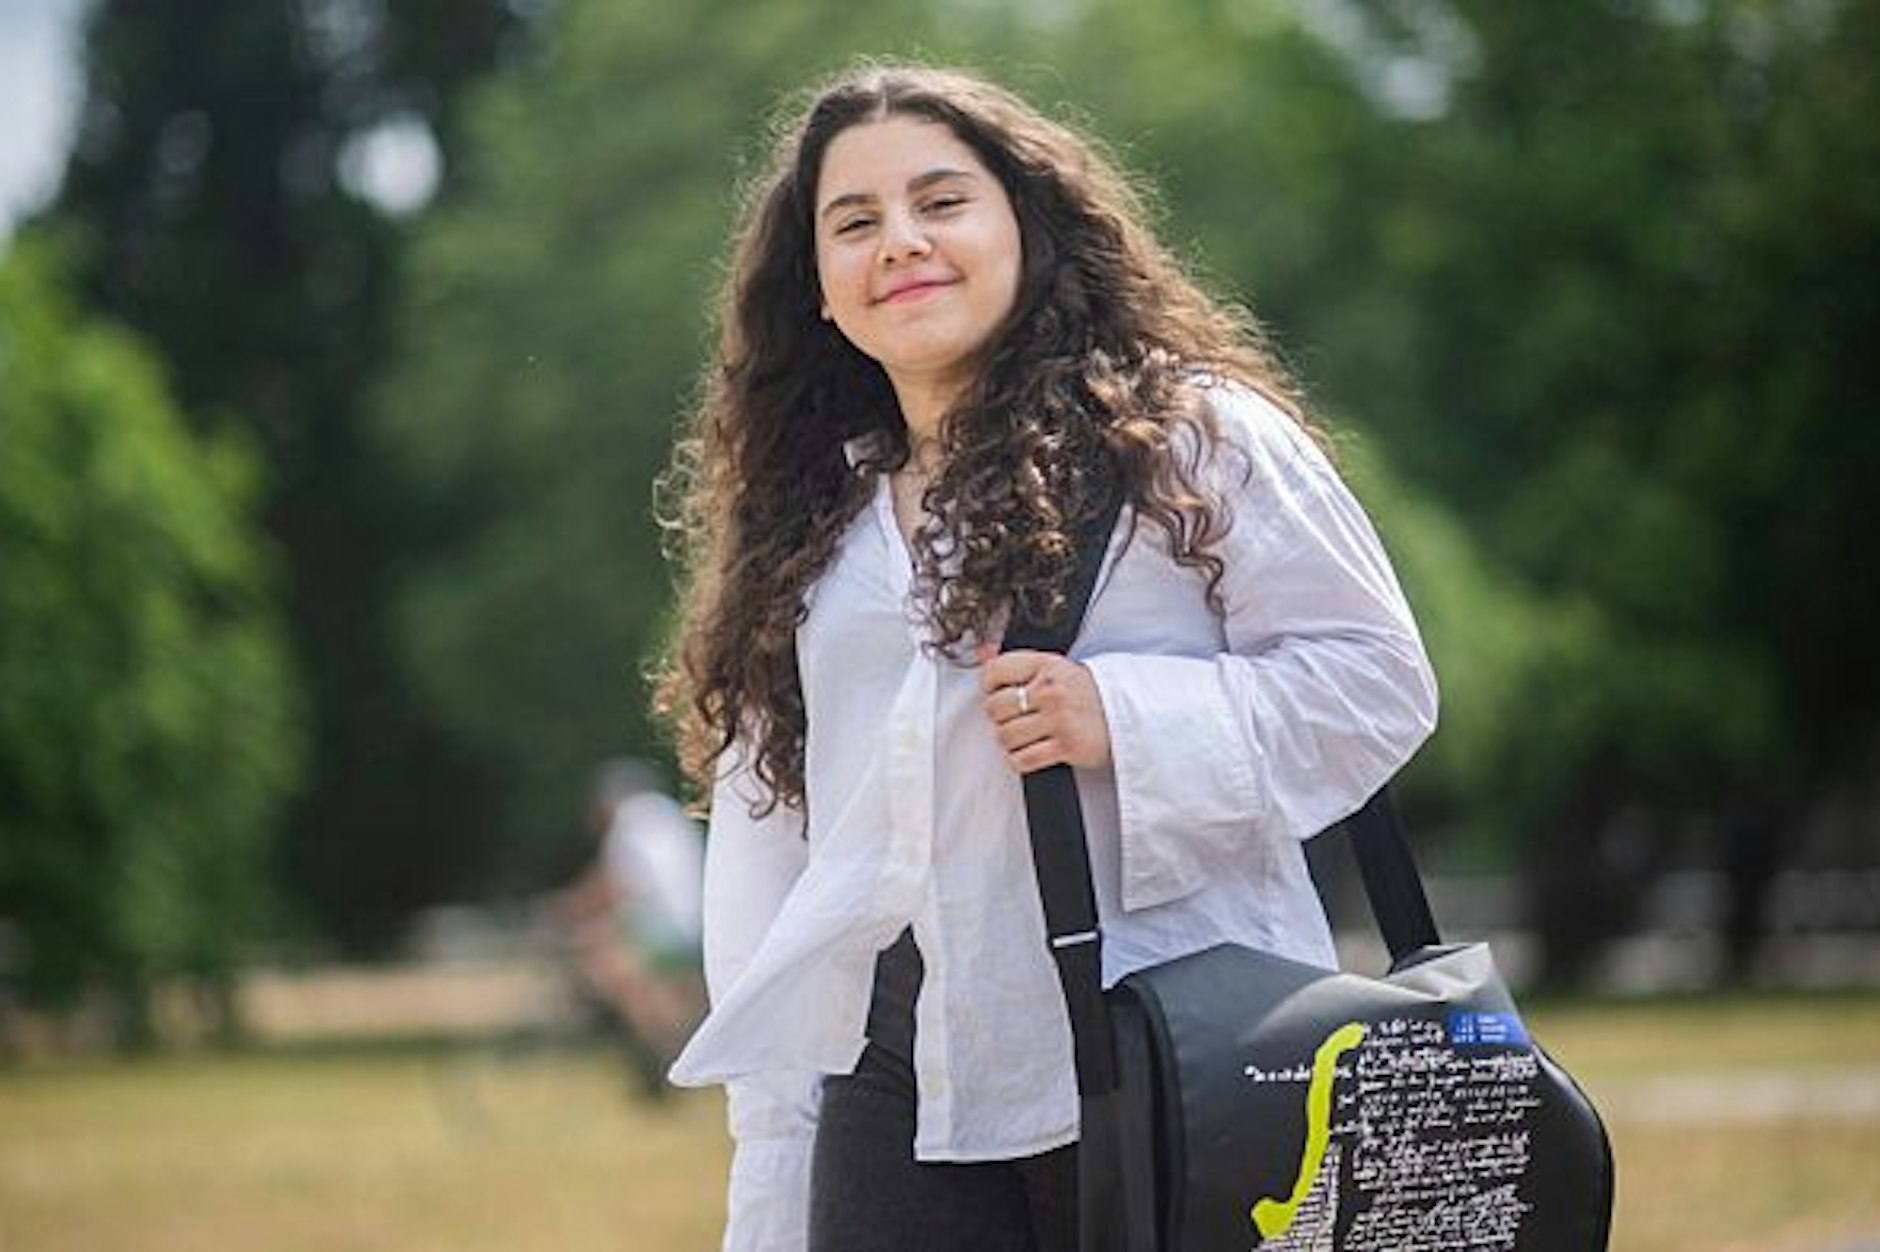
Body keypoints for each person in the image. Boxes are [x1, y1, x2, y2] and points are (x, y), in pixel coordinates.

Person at [654, 62, 1439, 1252]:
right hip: (892, 1069)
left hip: (1178, 1039)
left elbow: (1377, 680)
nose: (900, 242)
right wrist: (771, 1146)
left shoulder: (1187, 436)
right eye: (853, 223)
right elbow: (774, 845)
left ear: (1025, 223)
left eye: (940, 202)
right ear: (814, 289)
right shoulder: (808, 523)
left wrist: (1118, 714)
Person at [549, 758, 705, 1095]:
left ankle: (659, 1051)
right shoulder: (668, 814)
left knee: (603, 961)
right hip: (697, 925)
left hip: (665, 929)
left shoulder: (629, 822)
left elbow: (619, 885)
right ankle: (670, 1036)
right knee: (665, 989)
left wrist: (571, 911)